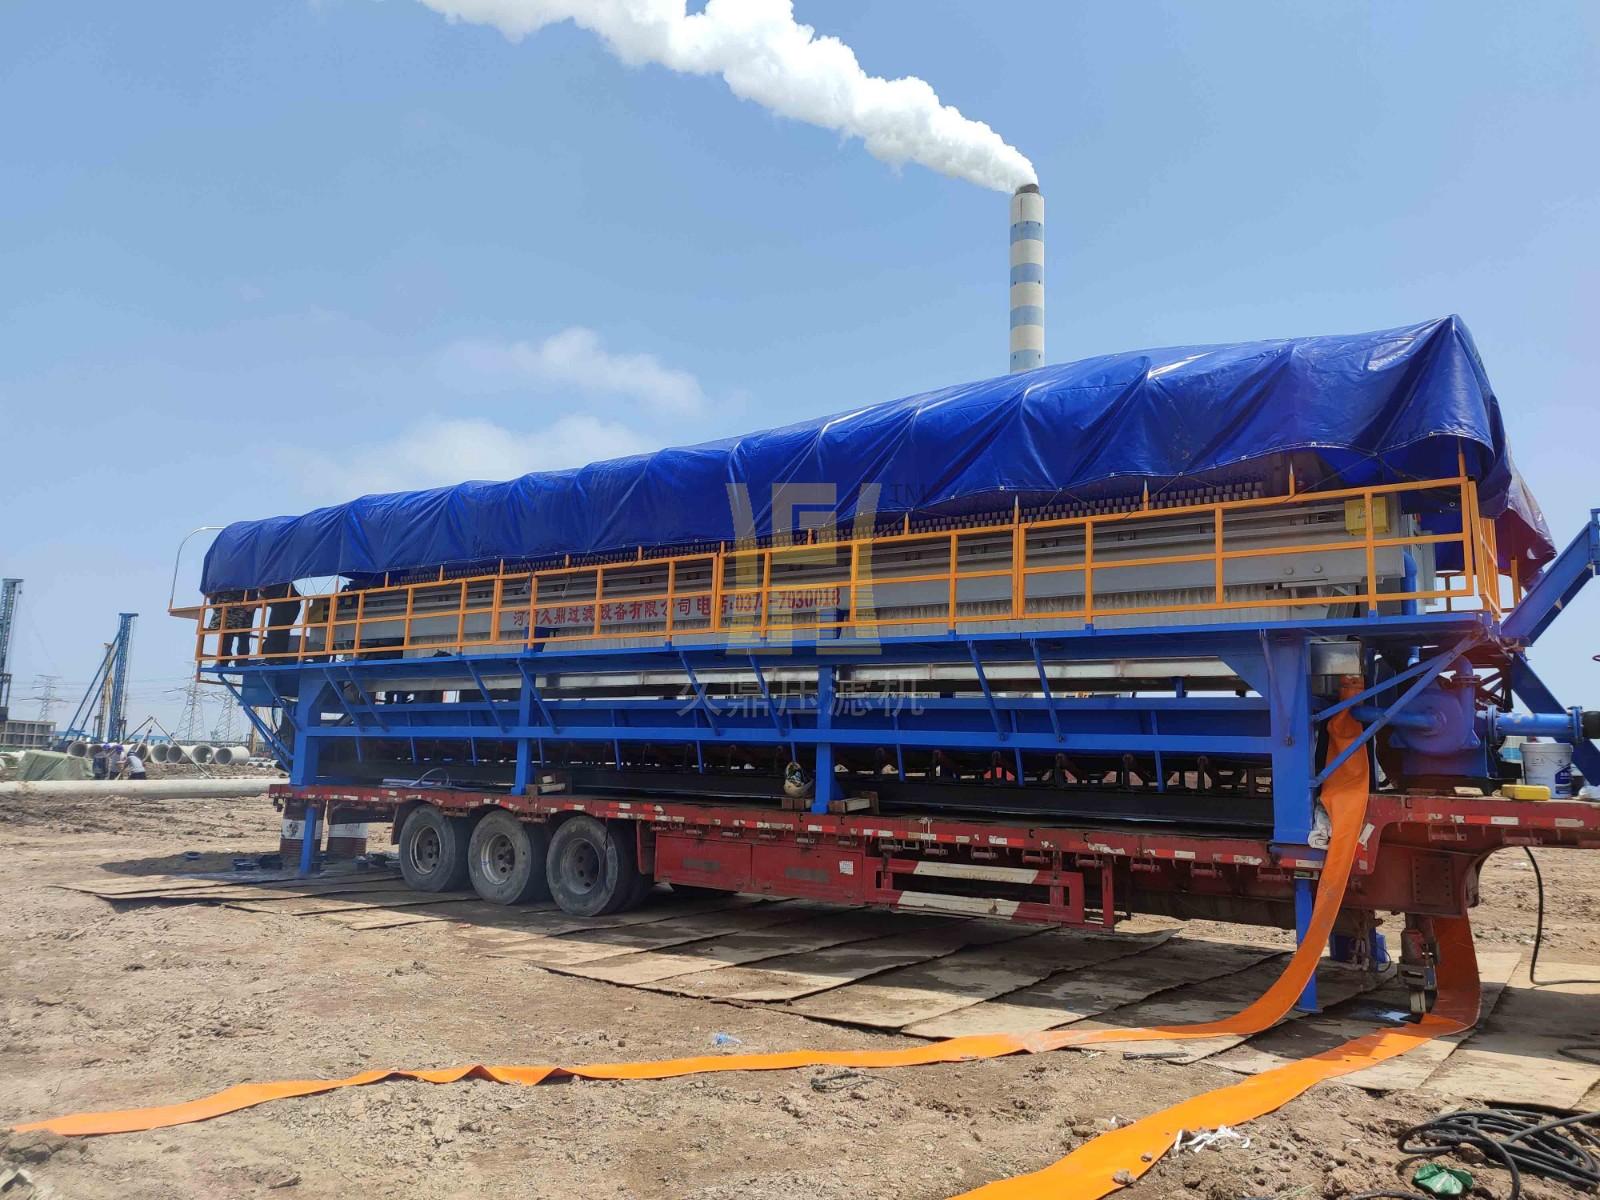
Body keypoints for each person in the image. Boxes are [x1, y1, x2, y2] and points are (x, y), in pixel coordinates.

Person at [262, 582, 304, 660]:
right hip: (290, 603)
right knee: (282, 630)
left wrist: (251, 606)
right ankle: (278, 658)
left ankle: (272, 658)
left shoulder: (272, 582)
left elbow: (263, 597)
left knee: (275, 630)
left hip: (285, 603)